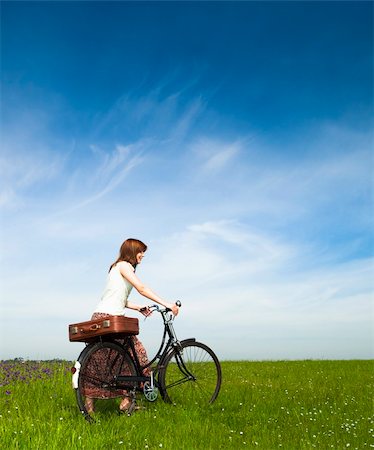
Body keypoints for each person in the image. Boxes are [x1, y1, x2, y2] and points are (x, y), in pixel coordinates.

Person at [83, 238, 179, 414]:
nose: (142, 255)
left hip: (98, 317)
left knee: (98, 362)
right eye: (140, 251)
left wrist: (138, 307)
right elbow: (141, 288)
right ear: (132, 251)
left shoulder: (114, 268)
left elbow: (117, 299)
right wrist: (167, 304)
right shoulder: (125, 266)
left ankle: (88, 408)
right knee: (138, 356)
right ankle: (126, 402)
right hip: (112, 319)